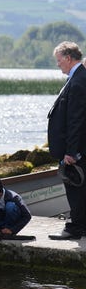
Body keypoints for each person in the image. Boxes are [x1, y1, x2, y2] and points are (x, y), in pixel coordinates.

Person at [47, 41, 86, 240]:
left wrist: (71, 151)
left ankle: (75, 228)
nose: (58, 64)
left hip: (76, 150)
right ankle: (81, 225)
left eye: (59, 60)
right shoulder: (77, 77)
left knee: (75, 187)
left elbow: (76, 120)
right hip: (76, 147)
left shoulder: (79, 81)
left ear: (69, 58)